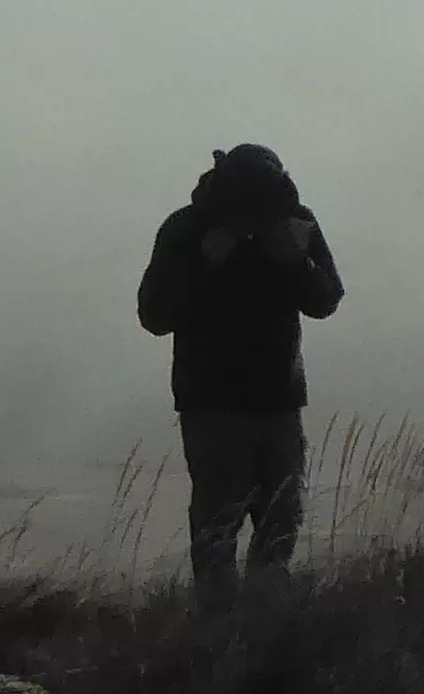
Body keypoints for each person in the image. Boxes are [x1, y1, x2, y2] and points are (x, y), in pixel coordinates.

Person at [135, 144, 345, 608]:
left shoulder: (293, 223)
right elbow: (154, 314)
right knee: (218, 525)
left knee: (281, 519)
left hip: (277, 400)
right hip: (213, 403)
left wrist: (297, 261)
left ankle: (264, 621)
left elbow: (326, 299)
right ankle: (218, 625)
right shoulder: (187, 229)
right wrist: (204, 265)